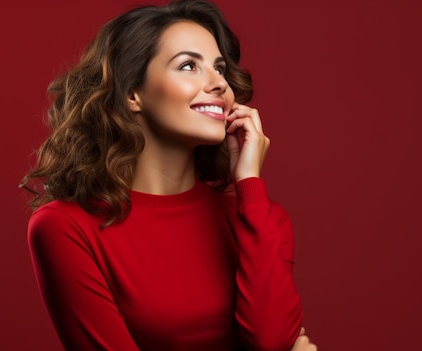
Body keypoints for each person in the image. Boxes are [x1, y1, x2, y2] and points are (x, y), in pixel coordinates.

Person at [21, 0, 317, 350]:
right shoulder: (65, 227)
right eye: (189, 65)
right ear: (133, 93)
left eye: (220, 69)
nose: (219, 83)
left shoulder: (264, 221)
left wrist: (249, 184)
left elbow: (271, 342)